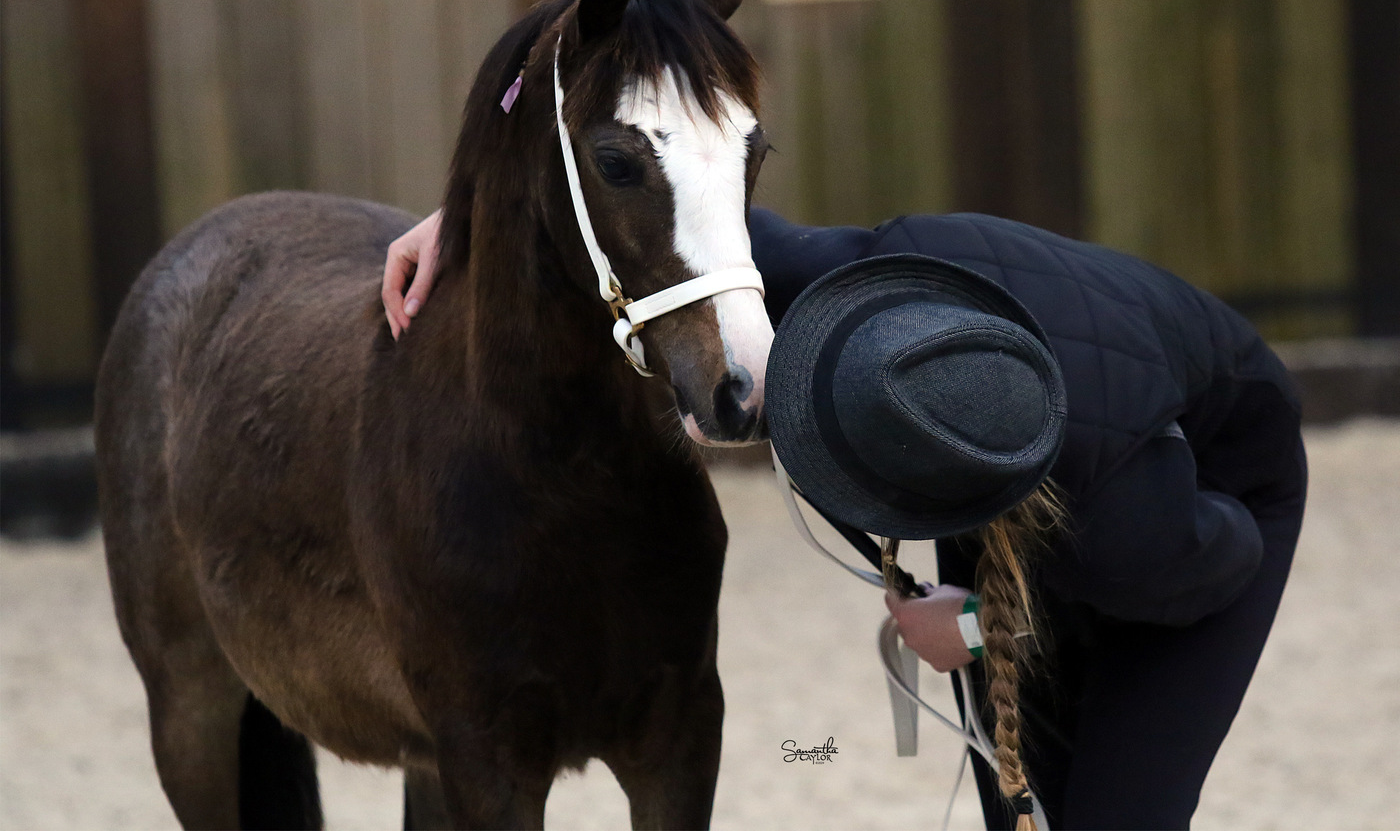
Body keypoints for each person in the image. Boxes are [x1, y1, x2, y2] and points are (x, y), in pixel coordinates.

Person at [382, 205, 1307, 831]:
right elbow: (660, 210)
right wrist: (475, 216)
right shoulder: (836, 282)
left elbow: (1210, 569)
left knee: (1120, 813)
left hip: (1208, 506)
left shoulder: (1124, 526)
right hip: (1028, 431)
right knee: (1023, 802)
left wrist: (977, 623)